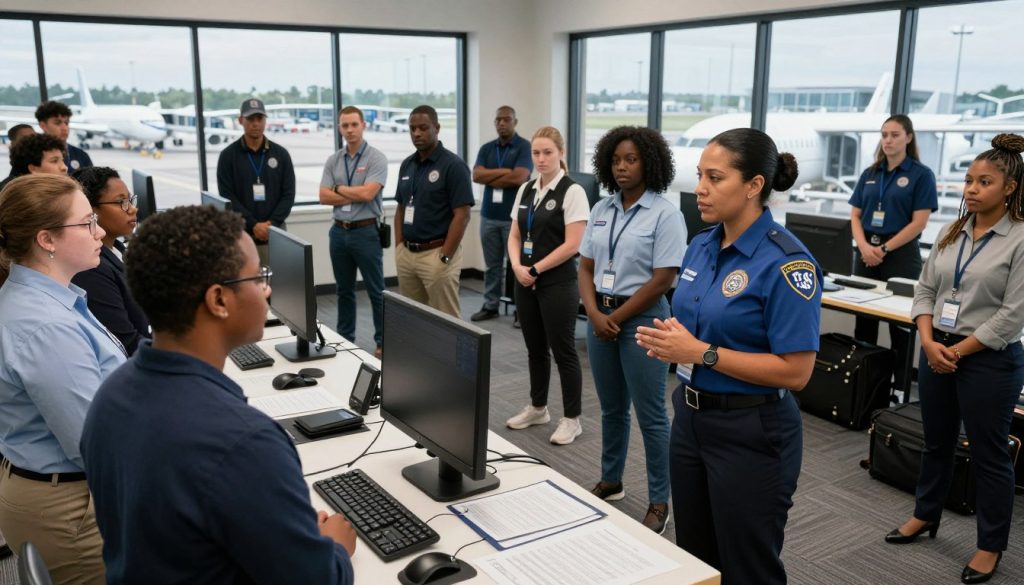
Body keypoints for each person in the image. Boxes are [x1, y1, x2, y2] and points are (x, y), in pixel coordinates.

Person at [80, 205, 356, 584]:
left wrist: (275, 519)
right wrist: (335, 547)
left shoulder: (111, 394)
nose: (268, 288)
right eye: (258, 277)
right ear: (219, 300)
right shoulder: (245, 443)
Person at [636, 128, 819, 585]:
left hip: (752, 432)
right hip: (693, 421)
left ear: (755, 185)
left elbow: (797, 372)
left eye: (715, 178)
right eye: (700, 175)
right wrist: (674, 343)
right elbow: (700, 329)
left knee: (747, 567)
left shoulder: (786, 263)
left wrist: (702, 353)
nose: (700, 188)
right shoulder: (701, 244)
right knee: (697, 561)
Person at [887, 133, 1024, 585]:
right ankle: (925, 515)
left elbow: (1012, 316)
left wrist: (954, 351)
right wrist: (928, 343)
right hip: (937, 349)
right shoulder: (952, 231)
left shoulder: (1020, 239)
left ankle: (990, 546)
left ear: (1009, 188)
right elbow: (925, 290)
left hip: (988, 359)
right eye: (968, 180)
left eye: (984, 182)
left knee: (988, 455)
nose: (971, 189)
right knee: (936, 442)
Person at [0, 174, 125, 585]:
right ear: (46, 240)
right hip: (70, 508)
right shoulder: (46, 326)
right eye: (87, 223)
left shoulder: (51, 299)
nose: (101, 231)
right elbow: (93, 442)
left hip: (58, 490)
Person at [579, 126, 685, 534]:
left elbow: (663, 278)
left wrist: (617, 319)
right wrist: (592, 312)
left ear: (650, 163)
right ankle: (612, 479)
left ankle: (660, 500)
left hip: (643, 322)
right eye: (616, 160)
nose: (621, 167)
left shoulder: (665, 214)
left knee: (652, 414)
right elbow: (585, 266)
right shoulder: (602, 209)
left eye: (631, 160)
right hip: (600, 318)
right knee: (611, 408)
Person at [505, 126, 590, 445]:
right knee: (534, 349)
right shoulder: (527, 189)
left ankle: (572, 418)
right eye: (536, 153)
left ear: (561, 154)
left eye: (547, 153)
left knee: (563, 351)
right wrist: (517, 266)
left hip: (556, 281)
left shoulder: (573, 191)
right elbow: (514, 234)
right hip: (524, 279)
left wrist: (536, 268)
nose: (541, 159)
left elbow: (573, 245)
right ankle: (538, 407)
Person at [849, 114, 937, 388]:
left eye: (895, 134)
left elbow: (919, 222)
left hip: (900, 256)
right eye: (884, 134)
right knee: (864, 323)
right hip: (866, 253)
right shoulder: (871, 173)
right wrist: (865, 246)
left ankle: (899, 388)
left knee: (900, 328)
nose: (888, 140)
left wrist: (883, 248)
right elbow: (855, 215)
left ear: (908, 137)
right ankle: (864, 387)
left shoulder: (921, 175)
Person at [319, 106, 388, 359]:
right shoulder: (333, 160)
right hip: (338, 233)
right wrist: (350, 191)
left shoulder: (376, 158)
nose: (349, 130)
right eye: (344, 125)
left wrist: (337, 188)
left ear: (363, 125)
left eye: (354, 125)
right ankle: (344, 338)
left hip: (366, 232)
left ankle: (383, 342)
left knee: (376, 290)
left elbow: (369, 193)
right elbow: (322, 196)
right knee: (343, 290)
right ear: (339, 128)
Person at [394, 105, 474, 319]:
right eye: (412, 129)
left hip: (437, 254)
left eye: (423, 127)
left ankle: (451, 355)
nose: (417, 133)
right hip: (407, 254)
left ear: (436, 128)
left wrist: (445, 257)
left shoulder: (453, 165)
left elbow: (463, 215)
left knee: (446, 320)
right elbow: (401, 208)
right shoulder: (407, 165)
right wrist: (399, 246)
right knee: (412, 318)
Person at [71, 166, 150, 355]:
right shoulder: (92, 268)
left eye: (131, 200)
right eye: (121, 202)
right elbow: (127, 343)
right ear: (90, 210)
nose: (133, 208)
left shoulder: (116, 248)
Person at [470, 105, 532, 322]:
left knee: (517, 266)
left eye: (507, 119)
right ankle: (490, 305)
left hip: (514, 219)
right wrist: (505, 171)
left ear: (515, 122)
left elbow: (520, 177)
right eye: (498, 120)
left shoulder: (524, 147)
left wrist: (491, 175)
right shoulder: (487, 148)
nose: (502, 123)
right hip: (488, 216)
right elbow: (476, 175)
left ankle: (520, 310)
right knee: (492, 265)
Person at [216, 98, 296, 265]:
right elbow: (227, 195)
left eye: (260, 119)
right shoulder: (228, 156)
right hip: (243, 234)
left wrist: (271, 225)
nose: (255, 124)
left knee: (280, 284)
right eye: (250, 119)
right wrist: (253, 225)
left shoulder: (281, 154)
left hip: (276, 233)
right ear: (240, 121)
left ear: (265, 120)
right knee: (247, 285)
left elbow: (288, 194)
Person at [34, 100, 92, 173]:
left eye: (66, 123)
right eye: (57, 123)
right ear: (43, 125)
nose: (64, 128)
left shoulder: (81, 155)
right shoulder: (33, 155)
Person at [0, 133, 67, 191]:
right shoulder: (13, 198)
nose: (64, 167)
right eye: (54, 161)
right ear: (33, 168)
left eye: (62, 160)